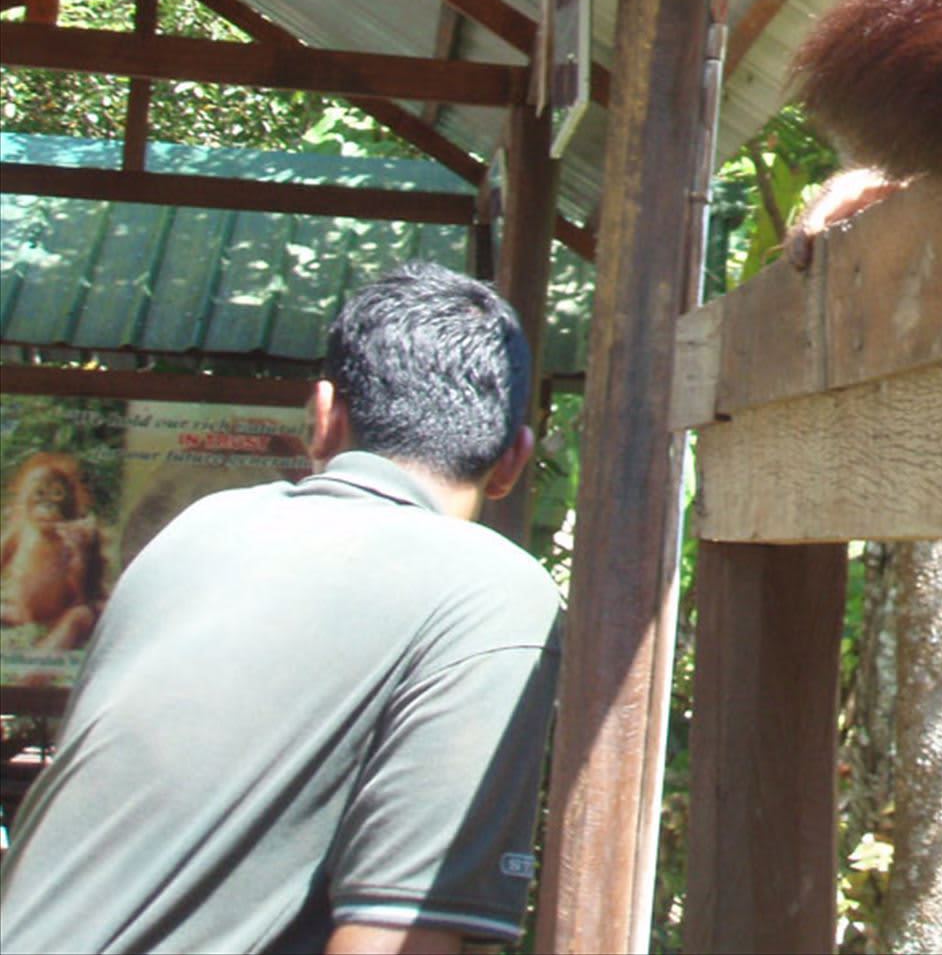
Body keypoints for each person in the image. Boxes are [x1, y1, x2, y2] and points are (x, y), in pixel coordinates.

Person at [0, 263, 562, 954]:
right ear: (514, 460)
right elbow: (396, 940)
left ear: (322, 416)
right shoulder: (495, 589)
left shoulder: (199, 528)